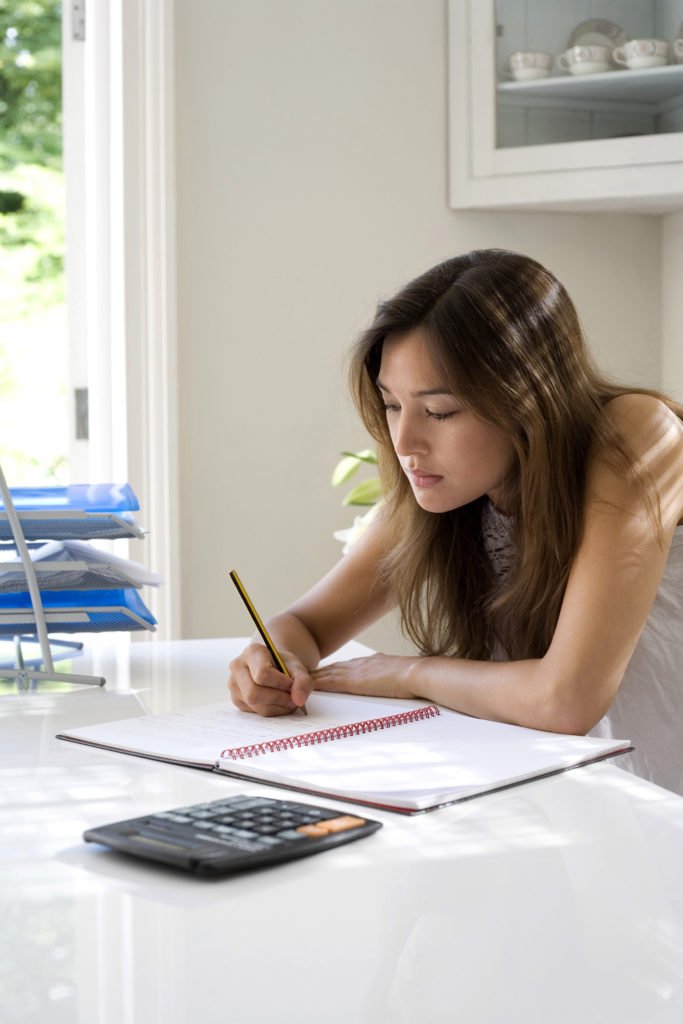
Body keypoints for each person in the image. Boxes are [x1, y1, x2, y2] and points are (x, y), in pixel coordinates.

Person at [228, 249, 683, 794]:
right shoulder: (447, 487)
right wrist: (270, 665)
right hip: (578, 793)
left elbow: (565, 700)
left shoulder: (637, 434)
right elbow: (305, 627)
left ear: (528, 397)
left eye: (439, 411)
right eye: (392, 405)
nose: (404, 443)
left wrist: (409, 672)